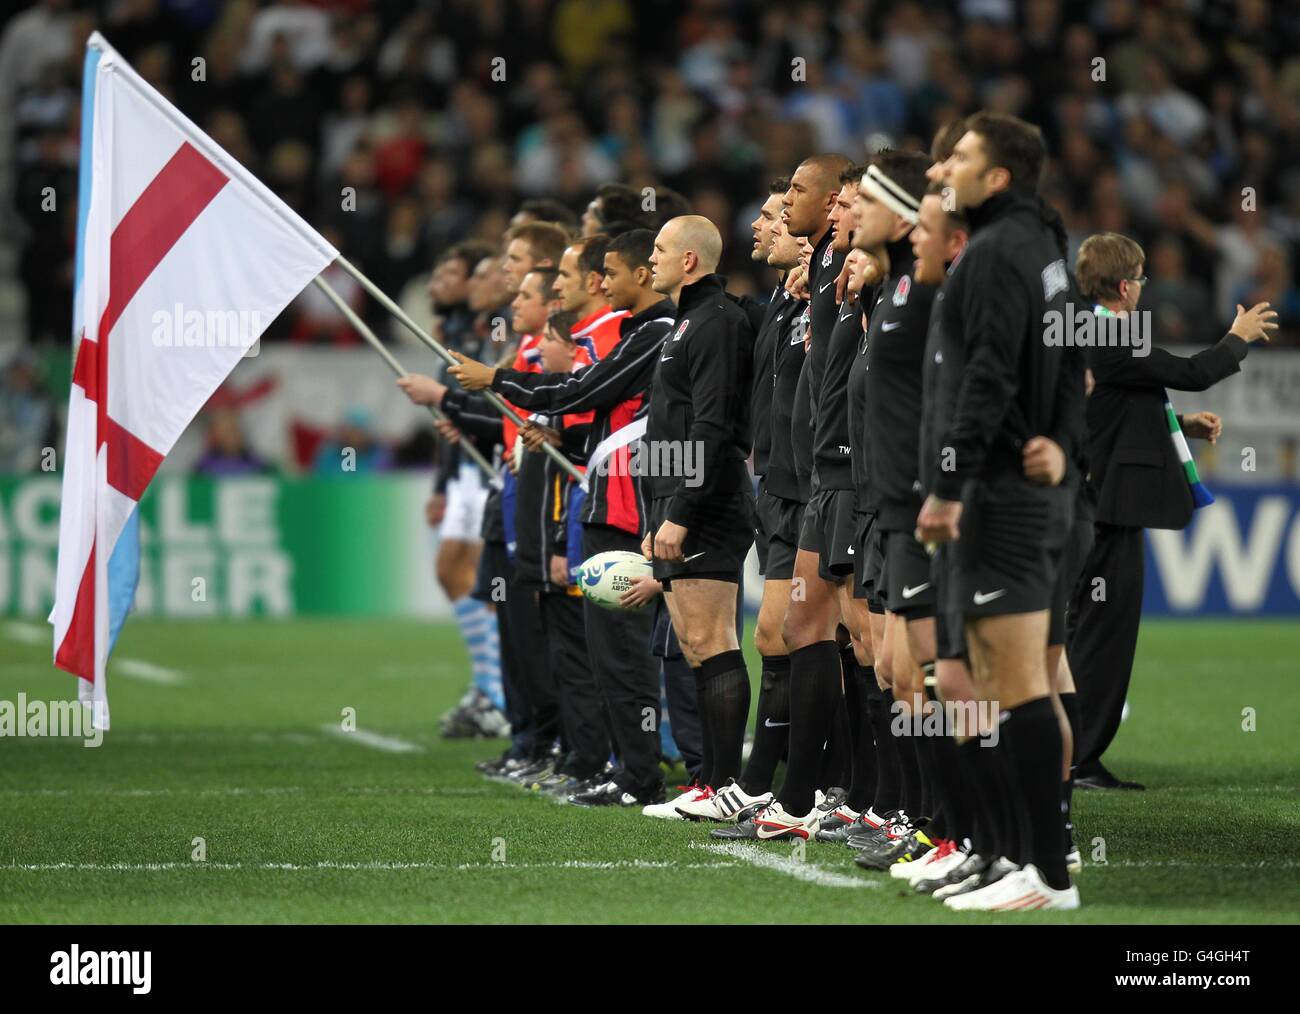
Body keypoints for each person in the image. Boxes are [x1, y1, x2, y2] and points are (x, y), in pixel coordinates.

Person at [916, 111, 1086, 910]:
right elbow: (1068, 357)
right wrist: (1061, 437)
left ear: (1000, 177)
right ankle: (1020, 858)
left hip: (998, 499)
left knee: (1013, 687)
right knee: (999, 685)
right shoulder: (1046, 253)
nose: (947, 168)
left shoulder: (991, 254)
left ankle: (1046, 874)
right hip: (1022, 488)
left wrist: (948, 487)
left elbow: (986, 377)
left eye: (963, 157)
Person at [449, 228, 679, 806]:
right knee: (604, 651)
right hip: (607, 501)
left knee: (625, 650)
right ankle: (623, 768)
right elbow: (588, 403)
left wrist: (498, 380)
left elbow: (585, 389)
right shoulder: (638, 331)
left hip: (632, 505)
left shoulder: (652, 331)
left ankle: (647, 773)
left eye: (609, 273)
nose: (597, 285)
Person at [1066, 233, 1276, 790]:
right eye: (1141, 279)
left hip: (1095, 502)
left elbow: (1110, 415)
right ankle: (1079, 756)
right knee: (1103, 636)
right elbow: (1189, 373)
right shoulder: (1107, 333)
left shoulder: (1087, 330)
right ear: (1127, 284)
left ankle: (1073, 751)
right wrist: (1238, 338)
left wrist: (1181, 426)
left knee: (1085, 628)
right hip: (1105, 509)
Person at [641, 215, 759, 813]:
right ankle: (711, 783)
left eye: (659, 249)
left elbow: (713, 426)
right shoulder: (686, 323)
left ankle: (722, 787)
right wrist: (656, 509)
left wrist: (681, 510)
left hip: (707, 504)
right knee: (693, 642)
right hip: (680, 499)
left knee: (712, 640)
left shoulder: (714, 322)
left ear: (690, 260)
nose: (651, 259)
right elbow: (672, 426)